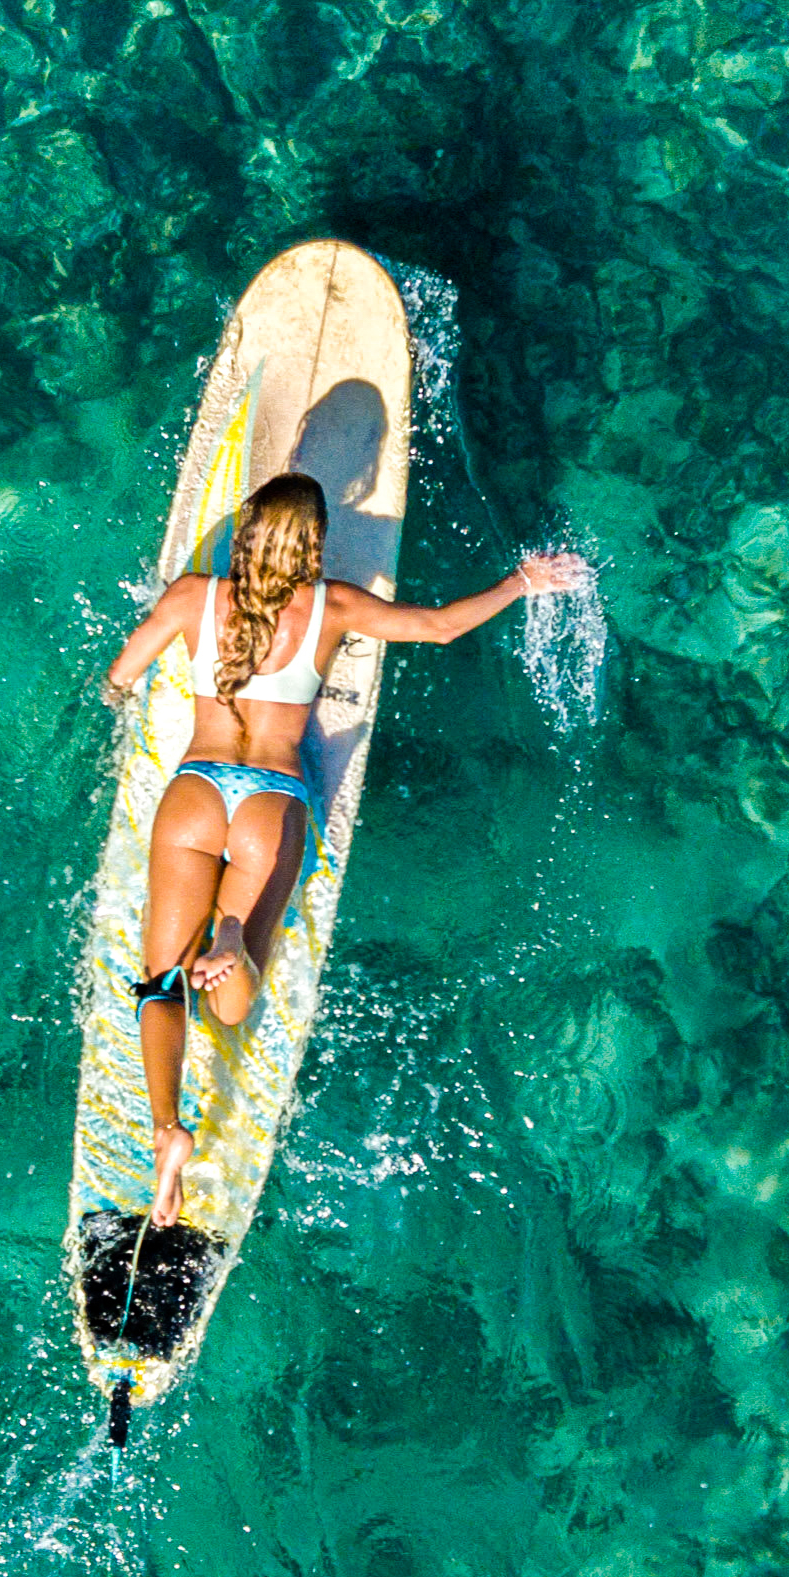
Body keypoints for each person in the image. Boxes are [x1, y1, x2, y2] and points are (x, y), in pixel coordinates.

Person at [100, 470, 591, 1224]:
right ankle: (232, 932)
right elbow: (437, 626)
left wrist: (126, 687)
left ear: (248, 532)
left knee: (159, 984)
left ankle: (167, 1128)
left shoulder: (192, 597)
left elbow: (120, 677)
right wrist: (521, 581)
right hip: (270, 800)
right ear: (315, 546)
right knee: (230, 1010)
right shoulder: (330, 608)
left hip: (194, 794)